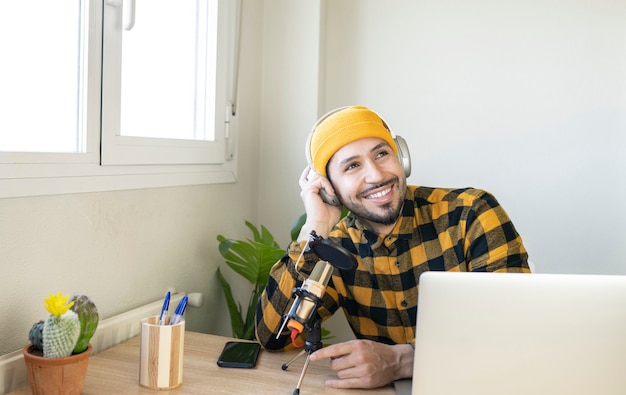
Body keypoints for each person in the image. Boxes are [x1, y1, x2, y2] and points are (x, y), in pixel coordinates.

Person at [255, 105, 530, 389]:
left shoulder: (470, 213)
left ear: (402, 158)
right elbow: (274, 336)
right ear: (329, 188)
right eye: (352, 166)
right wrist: (315, 228)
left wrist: (404, 360)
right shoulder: (334, 245)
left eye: (381, 154)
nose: (376, 175)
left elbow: (515, 325)